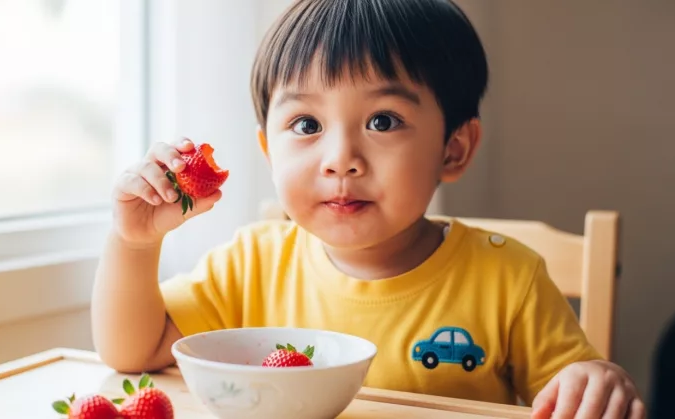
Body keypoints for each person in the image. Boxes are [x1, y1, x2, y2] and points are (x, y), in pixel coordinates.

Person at [91, 0, 644, 417]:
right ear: (268, 149)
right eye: (306, 125)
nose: (340, 159)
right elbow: (131, 353)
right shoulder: (251, 261)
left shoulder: (510, 279)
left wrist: (594, 378)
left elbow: (572, 387)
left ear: (453, 148)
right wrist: (134, 244)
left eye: (383, 121)